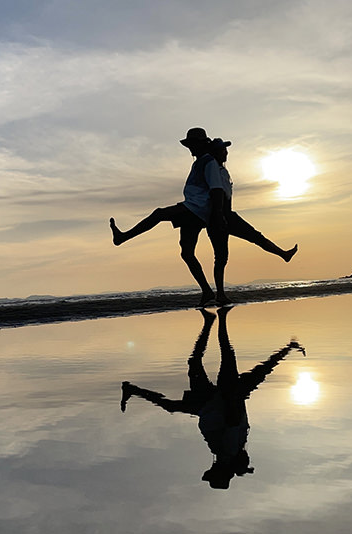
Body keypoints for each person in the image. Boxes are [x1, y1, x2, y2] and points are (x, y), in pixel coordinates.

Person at [120, 306, 305, 489]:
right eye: (212, 473)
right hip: (218, 398)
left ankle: (214, 322)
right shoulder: (230, 451)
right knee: (208, 360)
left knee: (219, 362)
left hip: (211, 403)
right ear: (219, 471)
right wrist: (229, 395)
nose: (209, 469)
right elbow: (233, 419)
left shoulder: (229, 451)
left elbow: (234, 417)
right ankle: (216, 320)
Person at [109, 127, 228, 307]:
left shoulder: (208, 162)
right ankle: (206, 291)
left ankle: (123, 236)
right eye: (189, 145)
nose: (190, 148)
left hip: (195, 209)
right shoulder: (199, 163)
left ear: (201, 144)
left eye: (193, 145)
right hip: (194, 210)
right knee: (186, 252)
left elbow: (217, 190)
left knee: (159, 213)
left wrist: (218, 215)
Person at [206, 137, 298, 304]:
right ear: (215, 152)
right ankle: (219, 294)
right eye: (222, 150)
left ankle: (283, 254)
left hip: (228, 215)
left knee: (255, 237)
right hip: (218, 217)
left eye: (225, 149)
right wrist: (219, 216)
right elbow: (215, 194)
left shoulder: (223, 171)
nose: (226, 152)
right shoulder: (211, 169)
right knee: (221, 257)